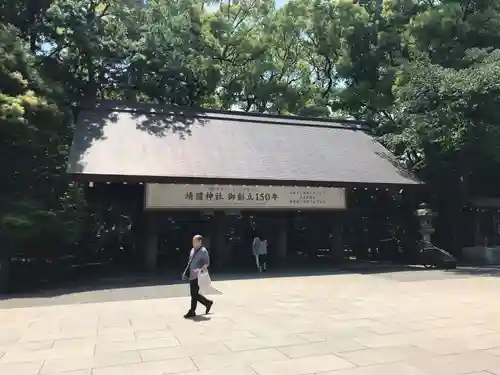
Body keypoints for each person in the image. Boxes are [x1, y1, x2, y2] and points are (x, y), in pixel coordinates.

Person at [182, 234, 213, 319]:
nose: (193, 243)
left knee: (194, 293)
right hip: (191, 275)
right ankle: (207, 303)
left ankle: (192, 311)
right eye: (193, 241)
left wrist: (200, 269)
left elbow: (207, 263)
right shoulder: (192, 250)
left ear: (200, 242)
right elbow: (190, 262)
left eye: (195, 241)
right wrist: (186, 272)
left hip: (198, 275)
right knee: (194, 293)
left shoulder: (203, 251)